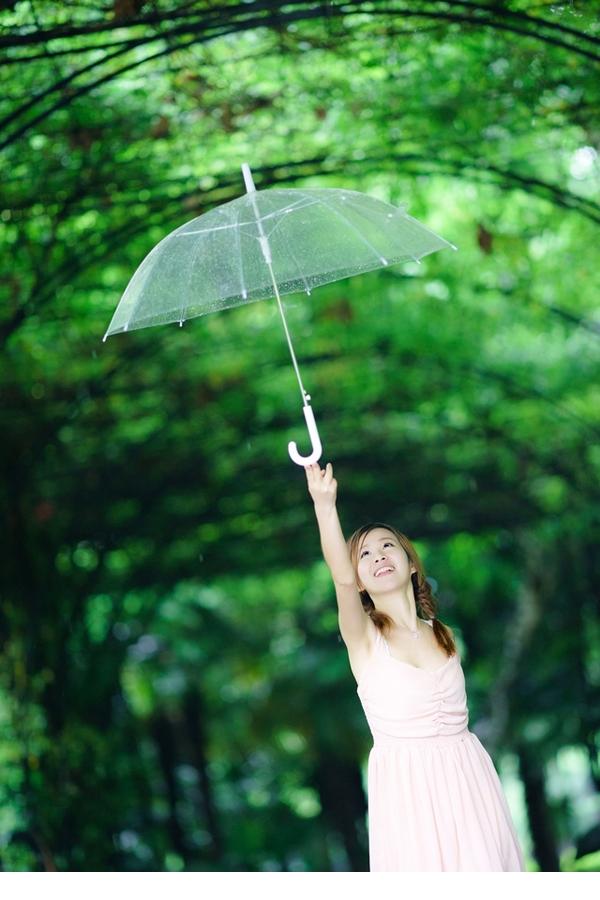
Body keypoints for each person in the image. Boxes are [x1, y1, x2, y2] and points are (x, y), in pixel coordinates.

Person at [305, 460, 525, 872]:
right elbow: (339, 579)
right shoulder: (364, 638)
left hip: (469, 776)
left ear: (410, 564)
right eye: (364, 554)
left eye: (388, 546)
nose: (377, 556)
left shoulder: (445, 633)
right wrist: (324, 505)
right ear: (361, 582)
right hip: (410, 792)